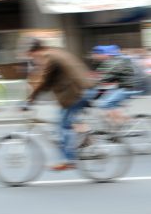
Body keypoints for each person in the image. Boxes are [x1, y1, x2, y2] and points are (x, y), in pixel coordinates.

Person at [25, 39, 97, 171]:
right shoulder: (56, 53)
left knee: (62, 125)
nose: (32, 59)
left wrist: (29, 99)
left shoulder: (51, 58)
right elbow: (48, 81)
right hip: (83, 90)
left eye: (31, 55)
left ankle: (68, 160)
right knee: (70, 119)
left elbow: (44, 81)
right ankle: (86, 139)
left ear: (36, 51)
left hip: (77, 93)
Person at [91, 45, 144, 126]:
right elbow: (111, 76)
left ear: (107, 54)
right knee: (111, 105)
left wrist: (94, 83)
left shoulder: (115, 61)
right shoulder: (120, 60)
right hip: (129, 86)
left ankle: (129, 121)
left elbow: (107, 76)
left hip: (129, 88)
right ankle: (117, 129)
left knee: (104, 104)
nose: (95, 56)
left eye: (98, 54)